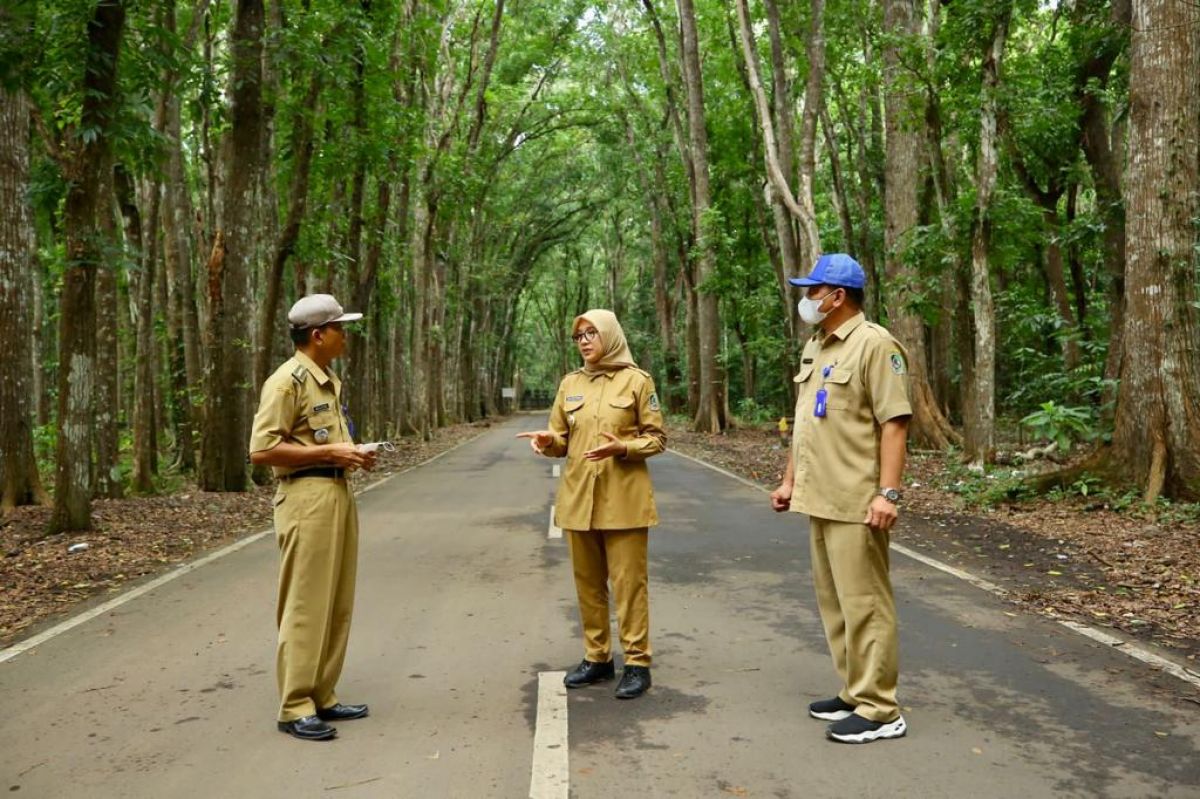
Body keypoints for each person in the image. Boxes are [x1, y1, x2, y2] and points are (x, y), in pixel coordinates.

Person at [769, 253, 913, 744]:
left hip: (857, 498)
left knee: (866, 602)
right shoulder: (817, 347)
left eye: (814, 291)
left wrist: (887, 493)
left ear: (838, 296)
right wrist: (789, 481)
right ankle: (854, 691)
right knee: (835, 603)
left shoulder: (875, 345)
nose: (807, 299)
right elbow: (807, 421)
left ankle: (880, 708)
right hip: (819, 494)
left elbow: (894, 422)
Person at [517, 310, 666, 699]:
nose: (584, 341)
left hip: (625, 499)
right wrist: (549, 442)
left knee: (629, 585)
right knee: (587, 585)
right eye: (578, 335)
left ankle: (637, 662)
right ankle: (597, 657)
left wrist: (625, 448)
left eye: (591, 333)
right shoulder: (570, 384)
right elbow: (561, 437)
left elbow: (656, 438)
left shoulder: (637, 381)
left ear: (610, 336)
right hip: (579, 498)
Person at [249, 293, 377, 741]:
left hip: (336, 489)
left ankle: (323, 693)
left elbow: (322, 439)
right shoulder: (287, 381)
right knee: (305, 603)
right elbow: (261, 450)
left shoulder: (326, 379)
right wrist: (330, 451)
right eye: (340, 328)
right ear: (318, 335)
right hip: (305, 499)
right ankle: (295, 704)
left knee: (337, 600)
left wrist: (352, 456)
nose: (345, 335)